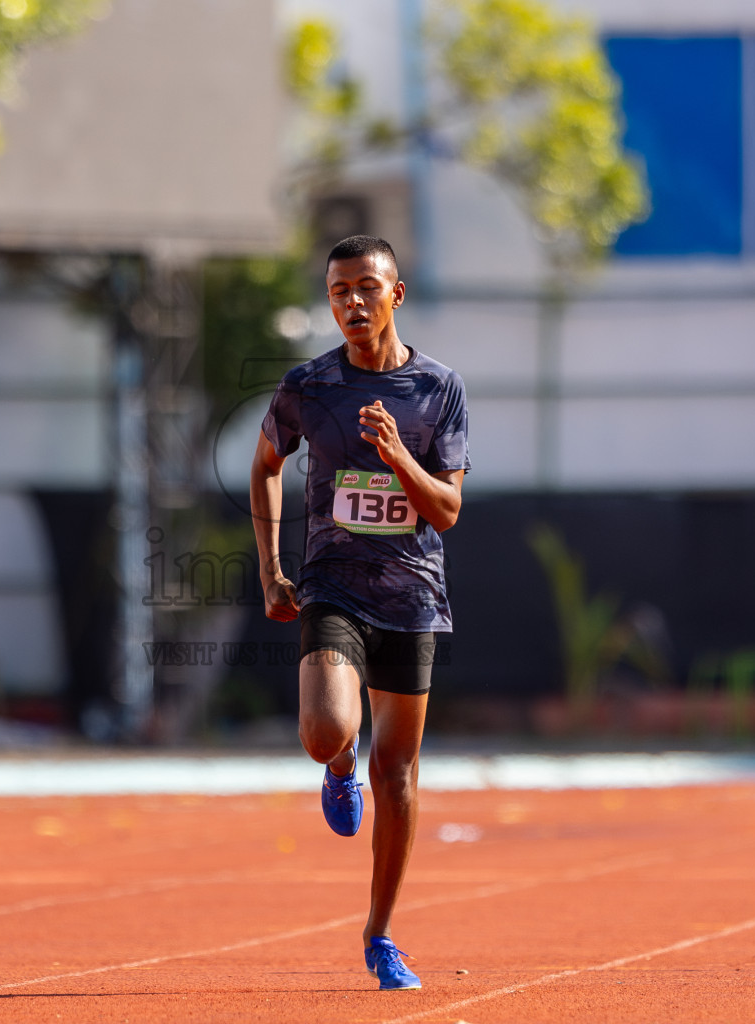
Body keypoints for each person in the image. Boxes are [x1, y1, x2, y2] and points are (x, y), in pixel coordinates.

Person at [249, 234, 469, 991]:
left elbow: (446, 512)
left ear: (396, 295)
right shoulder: (310, 386)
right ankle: (338, 767)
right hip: (332, 587)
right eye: (339, 290)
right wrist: (272, 570)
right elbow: (265, 464)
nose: (352, 303)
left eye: (366, 289)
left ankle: (380, 936)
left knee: (399, 770)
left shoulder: (439, 391)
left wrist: (398, 456)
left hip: (411, 596)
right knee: (326, 732)